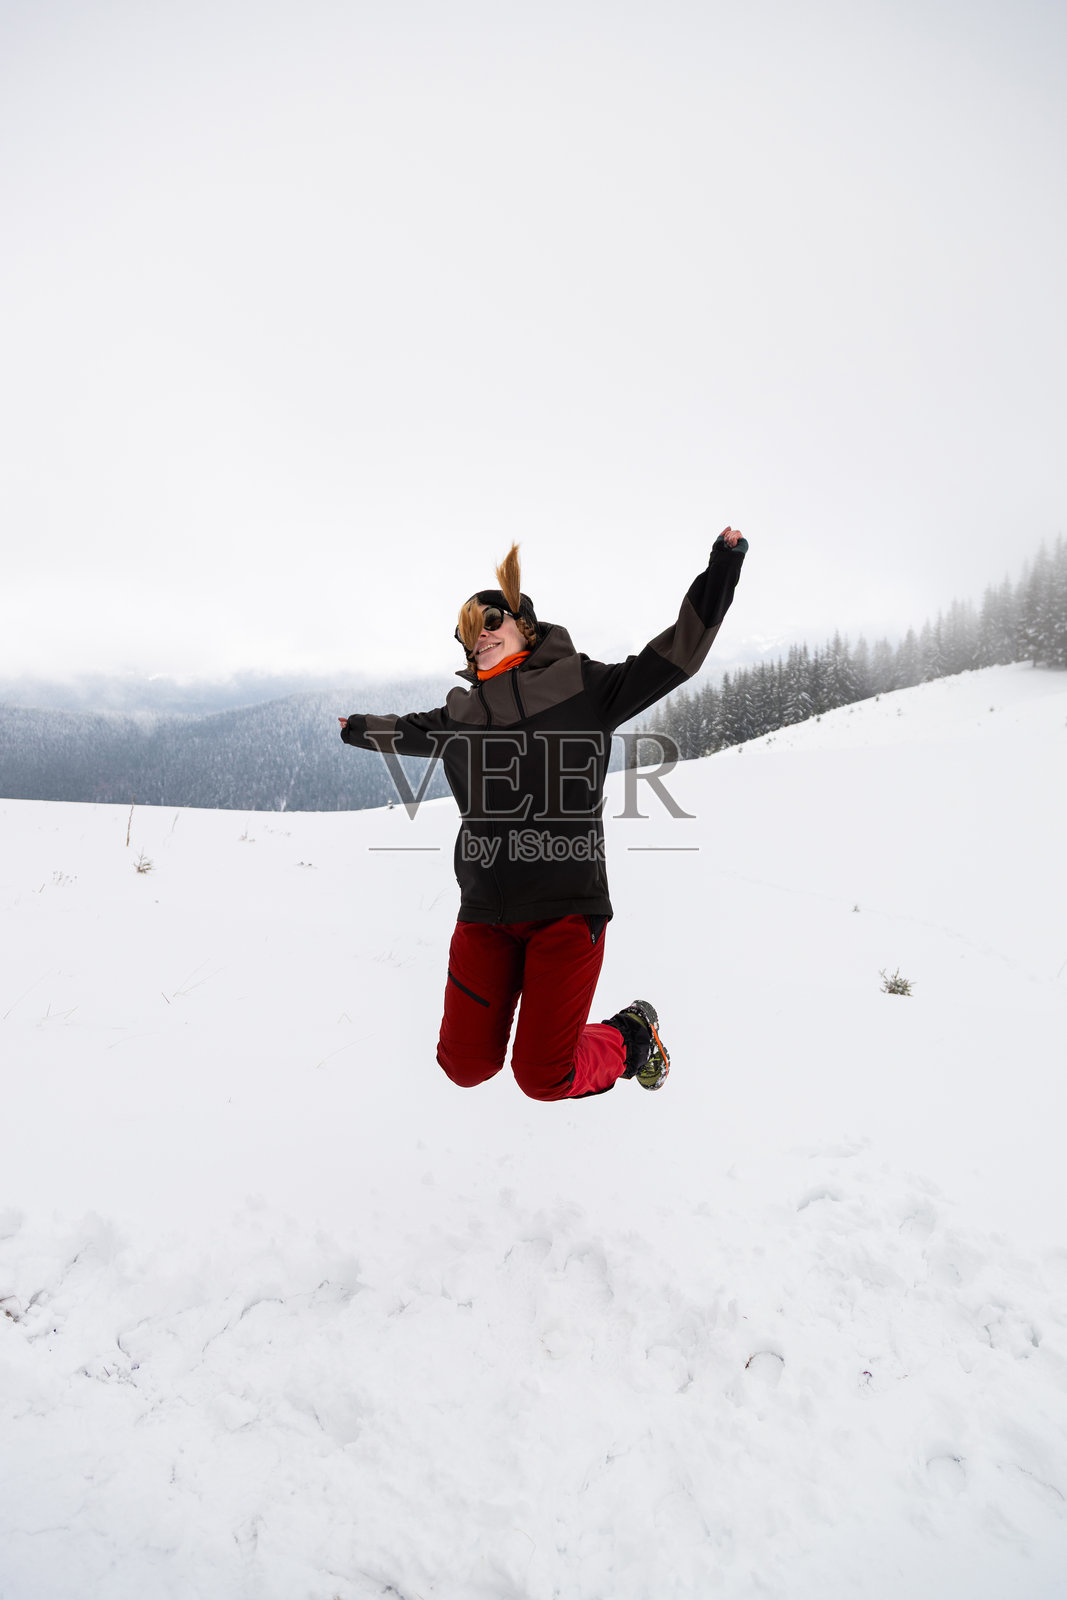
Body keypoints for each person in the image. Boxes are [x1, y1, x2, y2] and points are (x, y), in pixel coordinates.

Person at [339, 528, 748, 1101]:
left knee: (543, 1075)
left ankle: (630, 1037)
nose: (477, 639)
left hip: (566, 911)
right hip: (485, 913)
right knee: (463, 1064)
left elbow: (677, 653)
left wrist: (723, 566)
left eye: (490, 623)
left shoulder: (583, 687)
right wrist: (355, 729)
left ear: (523, 625)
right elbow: (407, 731)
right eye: (465, 634)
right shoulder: (461, 713)